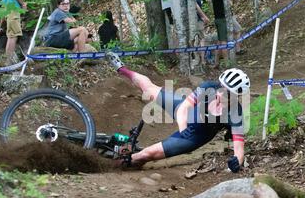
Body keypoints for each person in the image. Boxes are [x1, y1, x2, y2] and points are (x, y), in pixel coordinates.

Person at [105, 52, 250, 173]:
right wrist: (183, 128)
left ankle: (108, 167)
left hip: (195, 136)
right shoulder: (208, 87)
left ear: (237, 96)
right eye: (221, 88)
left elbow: (239, 149)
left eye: (227, 94)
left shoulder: (235, 113)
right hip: (186, 116)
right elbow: (183, 108)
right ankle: (122, 69)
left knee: (146, 154)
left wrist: (236, 162)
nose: (221, 94)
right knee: (148, 89)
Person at [185, 0, 210, 67]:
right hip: (194, 19)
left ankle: (201, 61)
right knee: (197, 39)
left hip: (195, 19)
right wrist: (204, 16)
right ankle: (197, 61)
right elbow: (195, 5)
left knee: (199, 39)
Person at [210, 0, 229, 68]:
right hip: (221, 19)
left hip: (219, 18)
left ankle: (216, 62)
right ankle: (227, 64)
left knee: (219, 41)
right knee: (224, 41)